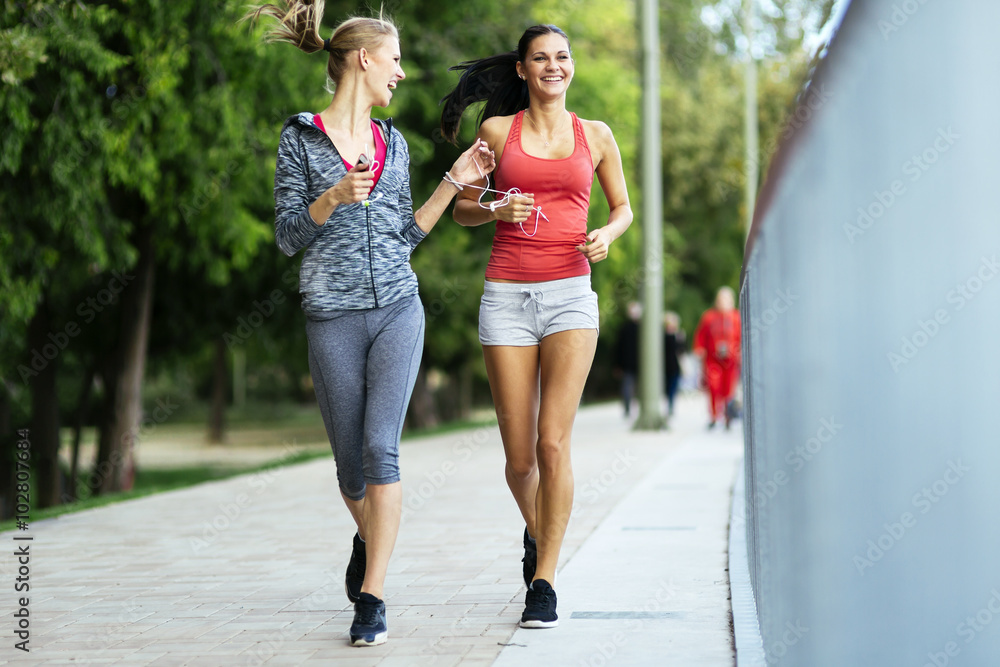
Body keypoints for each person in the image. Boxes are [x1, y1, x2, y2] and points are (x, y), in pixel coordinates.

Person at [244, 1, 495, 647]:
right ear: (364, 58)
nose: (402, 73)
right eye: (396, 59)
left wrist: (455, 181)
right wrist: (330, 198)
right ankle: (368, 534)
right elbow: (285, 237)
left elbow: (404, 236)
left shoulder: (395, 144)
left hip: (396, 310)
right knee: (351, 470)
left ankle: (373, 597)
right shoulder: (299, 138)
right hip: (330, 316)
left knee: (382, 448)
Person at [441, 24, 633, 629]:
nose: (554, 66)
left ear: (571, 66)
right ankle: (538, 531)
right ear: (522, 70)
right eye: (541, 58)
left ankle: (544, 580)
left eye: (563, 57)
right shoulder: (498, 133)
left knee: (554, 444)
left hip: (571, 296)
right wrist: (500, 204)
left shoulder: (596, 136)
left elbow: (623, 207)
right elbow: (463, 209)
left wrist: (607, 233)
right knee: (520, 459)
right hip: (506, 298)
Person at [693, 287, 741, 429]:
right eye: (721, 299)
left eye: (726, 299)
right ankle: (714, 416)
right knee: (714, 388)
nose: (723, 302)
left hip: (731, 360)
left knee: (728, 389)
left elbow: (741, 336)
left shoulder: (736, 317)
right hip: (713, 359)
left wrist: (740, 351)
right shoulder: (709, 317)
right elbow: (701, 335)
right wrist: (699, 348)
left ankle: (728, 415)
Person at [614, 302, 642, 417]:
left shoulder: (626, 328)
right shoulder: (627, 328)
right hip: (631, 364)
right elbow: (619, 347)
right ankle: (628, 408)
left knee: (628, 387)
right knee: (628, 387)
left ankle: (629, 408)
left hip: (632, 364)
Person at [663, 311, 685, 417]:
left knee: (673, 386)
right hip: (665, 366)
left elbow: (682, 350)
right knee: (668, 387)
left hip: (675, 365)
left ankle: (671, 405)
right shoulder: (663, 336)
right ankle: (668, 403)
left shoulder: (679, 335)